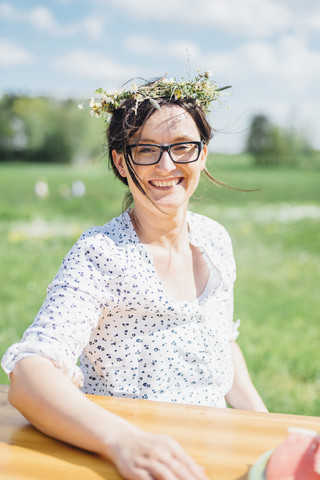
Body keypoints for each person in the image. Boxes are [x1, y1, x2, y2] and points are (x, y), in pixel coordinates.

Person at [1, 72, 267, 480]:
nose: (166, 165)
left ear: (203, 154)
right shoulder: (100, 254)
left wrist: (268, 429)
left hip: (214, 455)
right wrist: (122, 441)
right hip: (131, 464)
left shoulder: (215, 239)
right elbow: (29, 374)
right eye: (146, 150)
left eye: (182, 147)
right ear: (121, 161)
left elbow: (221, 342)